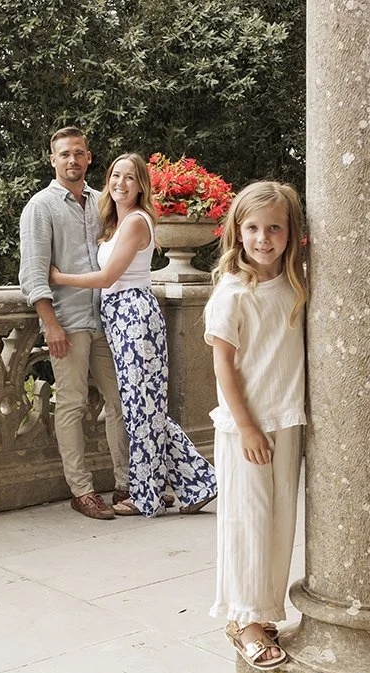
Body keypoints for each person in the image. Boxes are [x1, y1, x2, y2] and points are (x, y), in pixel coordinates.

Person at [51, 152, 218, 517]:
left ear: (141, 185)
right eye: (115, 176)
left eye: (129, 178)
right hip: (118, 316)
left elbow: (108, 278)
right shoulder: (115, 221)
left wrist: (59, 277)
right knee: (142, 409)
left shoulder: (137, 222)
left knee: (142, 409)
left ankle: (150, 496)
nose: (120, 184)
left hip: (134, 314)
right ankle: (197, 484)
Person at [203, 181, 309, 669]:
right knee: (247, 521)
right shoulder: (232, 293)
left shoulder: (296, 285)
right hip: (245, 426)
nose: (263, 238)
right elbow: (223, 364)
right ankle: (242, 620)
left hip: (286, 420)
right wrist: (246, 427)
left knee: (279, 521)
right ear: (237, 232)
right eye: (252, 228)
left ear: (292, 233)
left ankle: (265, 613)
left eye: (274, 228)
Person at [18, 125, 131, 520]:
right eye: (64, 153)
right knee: (72, 403)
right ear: (53, 159)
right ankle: (81, 491)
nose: (72, 160)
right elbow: (33, 273)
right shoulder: (40, 207)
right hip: (68, 320)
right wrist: (50, 325)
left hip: (107, 319)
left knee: (120, 400)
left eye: (78, 153)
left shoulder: (103, 203)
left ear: (88, 157)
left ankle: (126, 485)